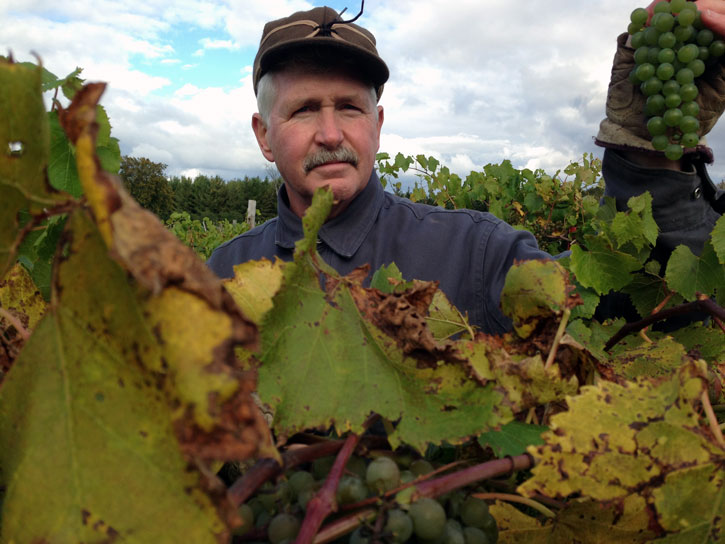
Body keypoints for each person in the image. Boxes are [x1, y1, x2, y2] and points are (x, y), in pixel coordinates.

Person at [207, 3, 724, 334]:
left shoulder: (476, 252)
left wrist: (652, 157)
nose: (330, 133)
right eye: (302, 110)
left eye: (349, 107)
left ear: (378, 124)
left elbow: (631, 302)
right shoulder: (219, 277)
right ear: (263, 135)